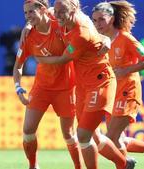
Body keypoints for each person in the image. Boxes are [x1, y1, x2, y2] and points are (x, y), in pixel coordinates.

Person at [35, 0, 136, 168]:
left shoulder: (80, 32)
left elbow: (63, 59)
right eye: (56, 10)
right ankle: (124, 164)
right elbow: (41, 16)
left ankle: (123, 163)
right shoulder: (60, 15)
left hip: (100, 82)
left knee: (82, 135)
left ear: (74, 9)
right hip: (83, 85)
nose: (57, 15)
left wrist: (40, 58)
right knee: (93, 136)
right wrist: (27, 30)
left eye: (63, 11)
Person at [92, 1, 144, 169]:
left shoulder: (125, 38)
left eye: (101, 20)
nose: (97, 24)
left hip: (128, 91)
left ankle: (125, 165)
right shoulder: (101, 40)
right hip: (112, 94)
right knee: (118, 139)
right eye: (95, 20)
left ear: (111, 19)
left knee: (110, 139)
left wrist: (125, 70)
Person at [13, 0, 81, 168]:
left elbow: (71, 16)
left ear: (43, 10)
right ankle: (33, 165)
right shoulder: (28, 36)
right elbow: (17, 67)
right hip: (42, 88)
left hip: (66, 88)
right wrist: (18, 87)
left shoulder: (59, 22)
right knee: (28, 130)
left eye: (31, 12)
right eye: (25, 13)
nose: (28, 17)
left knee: (69, 134)